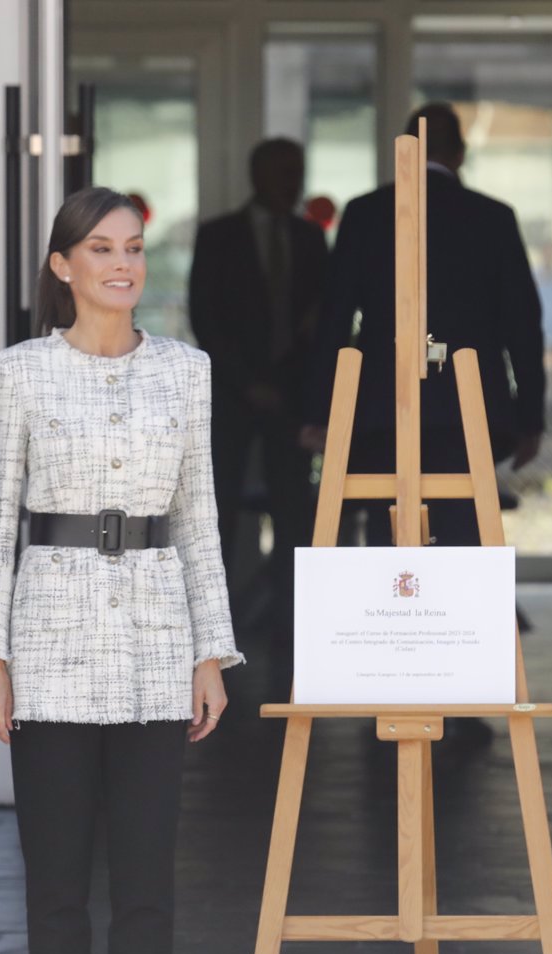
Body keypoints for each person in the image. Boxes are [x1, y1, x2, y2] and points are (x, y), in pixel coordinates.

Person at [0, 187, 239, 954]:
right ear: (62, 265)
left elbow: (201, 513)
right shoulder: (21, 372)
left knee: (146, 883)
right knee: (56, 882)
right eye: (99, 248)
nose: (121, 264)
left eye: (133, 247)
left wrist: (213, 648)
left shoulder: (187, 370)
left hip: (157, 641)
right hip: (46, 638)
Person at [307, 103, 545, 552]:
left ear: (404, 151)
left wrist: (322, 410)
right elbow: (522, 323)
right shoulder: (492, 217)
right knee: (462, 532)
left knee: (388, 530)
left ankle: (393, 617)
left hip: (381, 401)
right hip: (469, 400)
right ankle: (456, 622)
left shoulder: (364, 213)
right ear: (460, 153)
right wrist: (529, 415)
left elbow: (334, 319)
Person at [188, 138, 328, 640]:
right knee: (218, 510)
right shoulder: (218, 236)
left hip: (292, 400)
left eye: (298, 170)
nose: (291, 181)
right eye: (281, 171)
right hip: (233, 397)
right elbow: (206, 317)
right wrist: (247, 384)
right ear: (256, 175)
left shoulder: (311, 237)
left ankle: (293, 624)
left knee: (295, 512)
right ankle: (213, 631)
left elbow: (323, 319)